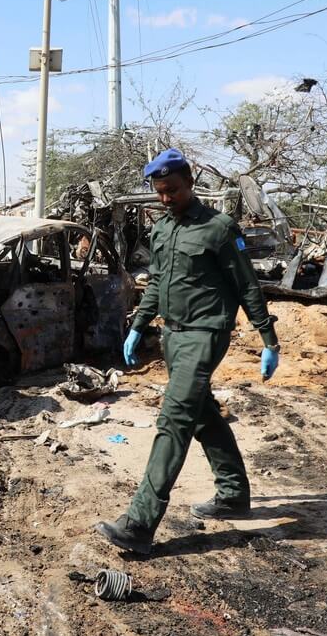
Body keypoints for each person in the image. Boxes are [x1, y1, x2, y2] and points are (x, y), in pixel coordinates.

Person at [95, 149, 280, 556]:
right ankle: (233, 494)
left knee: (174, 418)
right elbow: (157, 282)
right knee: (200, 412)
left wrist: (268, 338)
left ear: (190, 183)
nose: (166, 198)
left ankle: (140, 523)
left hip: (206, 333)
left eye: (173, 190)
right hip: (172, 336)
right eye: (160, 192)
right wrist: (138, 326)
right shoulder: (161, 230)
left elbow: (247, 285)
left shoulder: (218, 227)